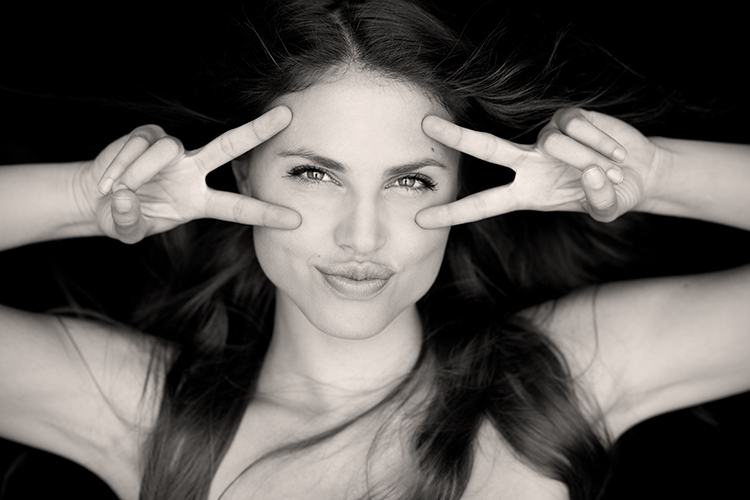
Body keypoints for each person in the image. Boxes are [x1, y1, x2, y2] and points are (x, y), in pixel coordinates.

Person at [1, 1, 748, 499]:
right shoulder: (149, 417)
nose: (363, 235)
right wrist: (91, 197)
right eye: (315, 173)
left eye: (410, 181)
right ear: (236, 174)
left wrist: (654, 177)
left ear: (461, 190)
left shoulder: (556, 378)